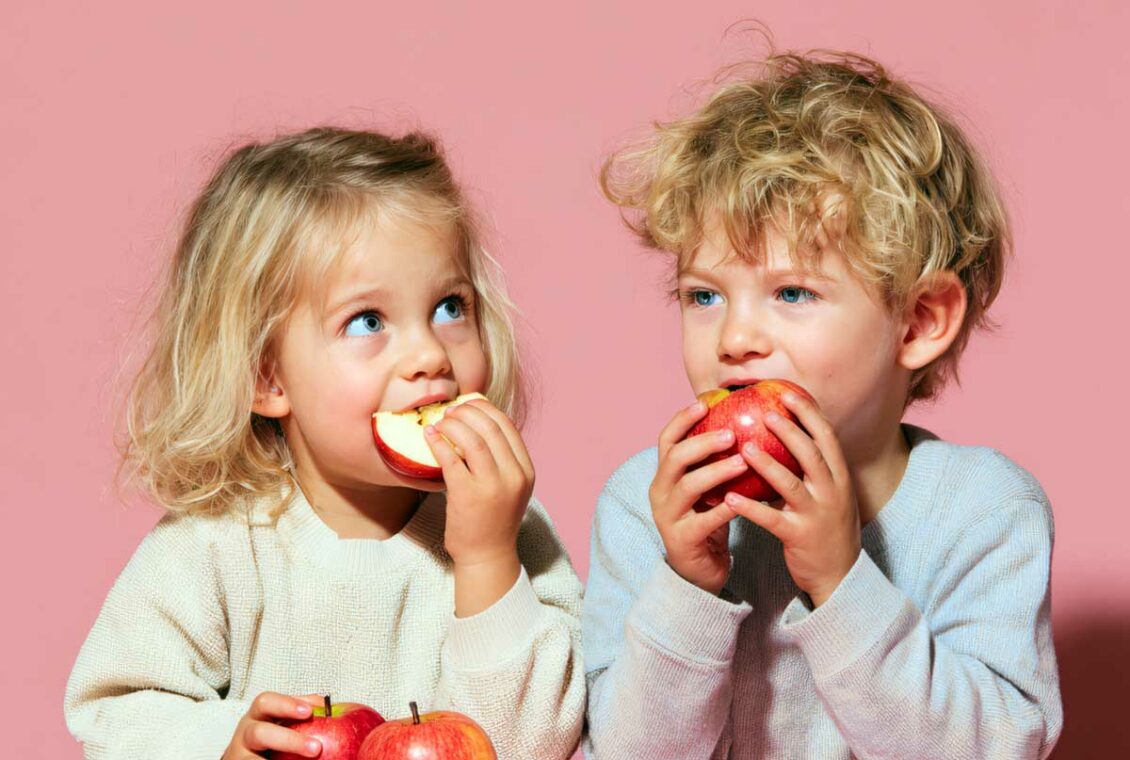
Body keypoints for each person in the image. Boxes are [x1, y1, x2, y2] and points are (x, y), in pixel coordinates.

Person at [582, 49, 1062, 759]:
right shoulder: (645, 505)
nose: (736, 337)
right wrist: (687, 588)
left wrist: (842, 582)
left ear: (919, 321)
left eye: (792, 293)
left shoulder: (986, 513)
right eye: (704, 295)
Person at [64, 127, 584, 760]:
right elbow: (114, 715)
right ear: (267, 375)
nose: (429, 355)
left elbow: (539, 745)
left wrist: (486, 561)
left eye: (450, 307)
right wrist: (221, 744)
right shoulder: (213, 548)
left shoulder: (509, 529)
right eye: (367, 322)